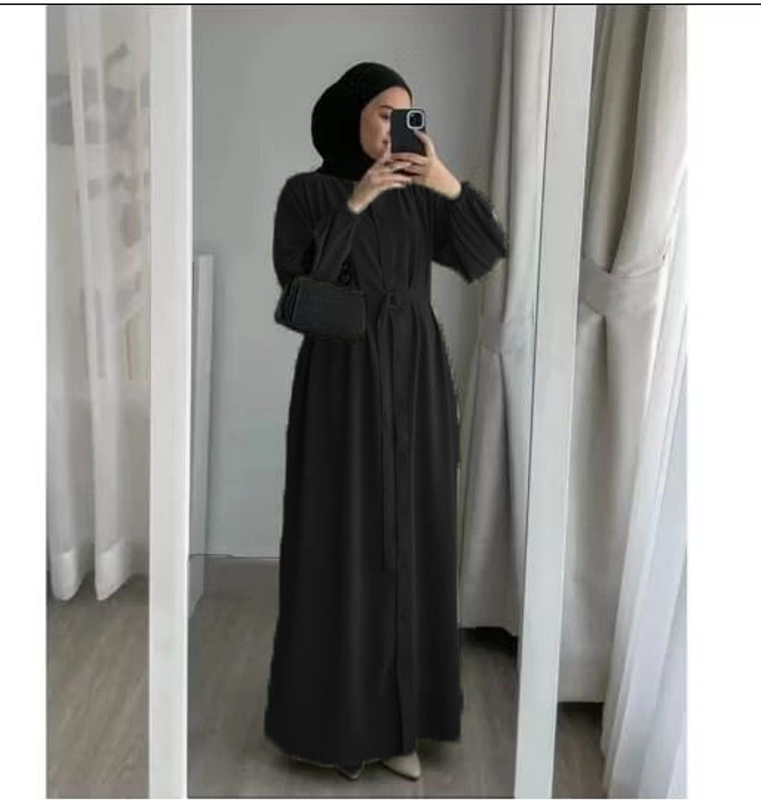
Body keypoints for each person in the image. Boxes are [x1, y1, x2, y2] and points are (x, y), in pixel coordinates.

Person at [263, 61, 508, 781]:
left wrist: (446, 181)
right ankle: (342, 725)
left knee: (413, 537)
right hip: (342, 383)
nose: (398, 126)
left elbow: (485, 253)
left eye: (407, 115)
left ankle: (405, 723)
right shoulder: (306, 193)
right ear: (351, 116)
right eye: (383, 113)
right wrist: (358, 200)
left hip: (416, 378)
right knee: (344, 539)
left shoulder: (420, 196)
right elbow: (300, 289)